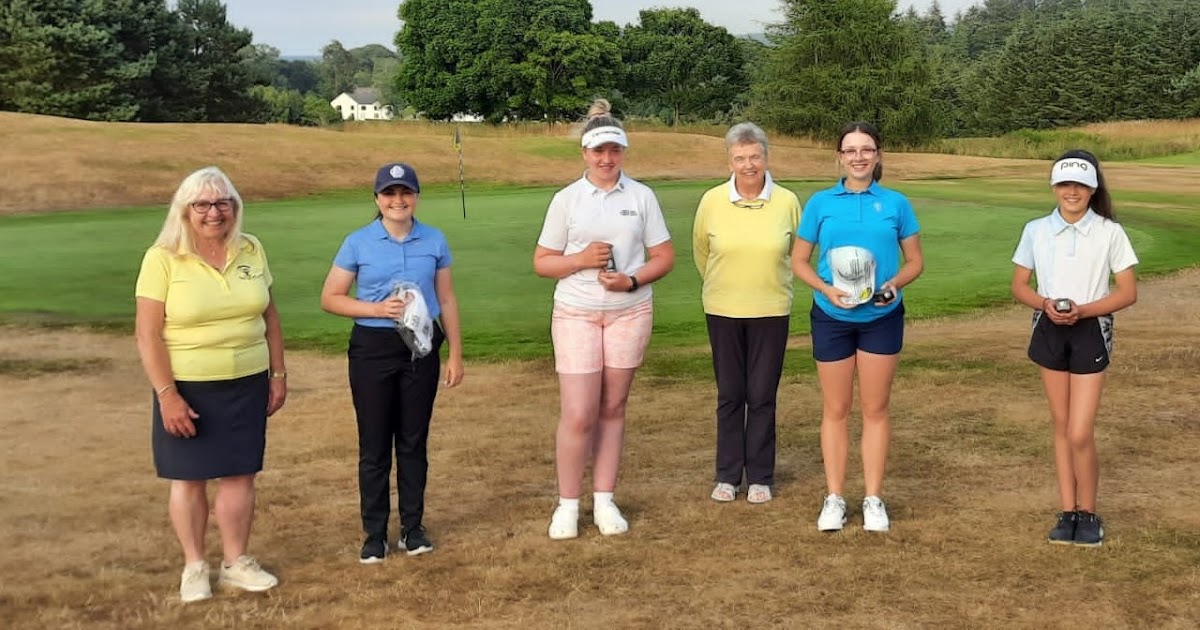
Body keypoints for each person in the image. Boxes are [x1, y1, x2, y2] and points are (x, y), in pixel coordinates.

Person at [135, 166, 287, 603]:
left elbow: (269, 316)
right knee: (188, 478)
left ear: (235, 207)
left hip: (247, 380)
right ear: (185, 210)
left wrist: (277, 373)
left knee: (241, 473)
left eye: (223, 203)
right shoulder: (162, 257)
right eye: (202, 204)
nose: (213, 212)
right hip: (187, 385)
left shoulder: (251, 248)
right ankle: (195, 566)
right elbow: (147, 333)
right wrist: (167, 395)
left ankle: (236, 563)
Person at [534, 98, 675, 539]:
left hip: (629, 311)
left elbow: (664, 257)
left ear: (623, 151)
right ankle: (568, 504)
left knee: (613, 408)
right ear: (585, 153)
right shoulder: (567, 200)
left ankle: (605, 499)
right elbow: (543, 262)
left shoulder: (641, 196)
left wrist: (630, 281)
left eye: (614, 150)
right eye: (598, 151)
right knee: (578, 412)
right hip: (575, 311)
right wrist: (579, 259)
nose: (606, 159)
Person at [320, 162, 464, 563]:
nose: (398, 200)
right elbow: (331, 297)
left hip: (420, 346)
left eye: (405, 193)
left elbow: (447, 299)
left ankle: (413, 528)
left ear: (416, 196)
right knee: (375, 443)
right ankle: (375, 532)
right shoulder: (358, 242)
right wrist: (376, 308)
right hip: (373, 346)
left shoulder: (434, 240)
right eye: (389, 193)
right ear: (377, 199)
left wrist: (455, 352)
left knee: (414, 441)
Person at [790, 121, 924, 533]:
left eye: (867, 149)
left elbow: (915, 262)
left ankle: (873, 499)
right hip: (831, 316)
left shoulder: (896, 203)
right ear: (840, 157)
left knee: (875, 409)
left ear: (878, 155)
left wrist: (892, 285)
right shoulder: (820, 202)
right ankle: (834, 498)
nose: (859, 156)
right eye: (851, 150)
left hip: (881, 317)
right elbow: (799, 261)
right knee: (836, 408)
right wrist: (826, 289)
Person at [1011, 150, 1138, 547]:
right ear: (1054, 187)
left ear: (1092, 188)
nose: (1072, 192)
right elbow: (1019, 286)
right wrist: (1045, 304)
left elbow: (1128, 292)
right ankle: (1068, 512)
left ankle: (1089, 511)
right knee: (1062, 425)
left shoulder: (1109, 232)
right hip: (1049, 328)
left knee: (1080, 431)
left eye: (1080, 185)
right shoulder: (1035, 229)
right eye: (1064, 184)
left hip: (1090, 330)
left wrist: (1083, 310)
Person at [692, 122, 801, 504]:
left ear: (766, 157)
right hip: (723, 308)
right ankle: (726, 474)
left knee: (761, 394)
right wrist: (727, 285)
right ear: (730, 160)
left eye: (755, 156)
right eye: (740, 157)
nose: (748, 164)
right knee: (731, 393)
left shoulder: (786, 201)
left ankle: (760, 476)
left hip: (770, 308)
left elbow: (796, 253)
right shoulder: (712, 201)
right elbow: (701, 253)